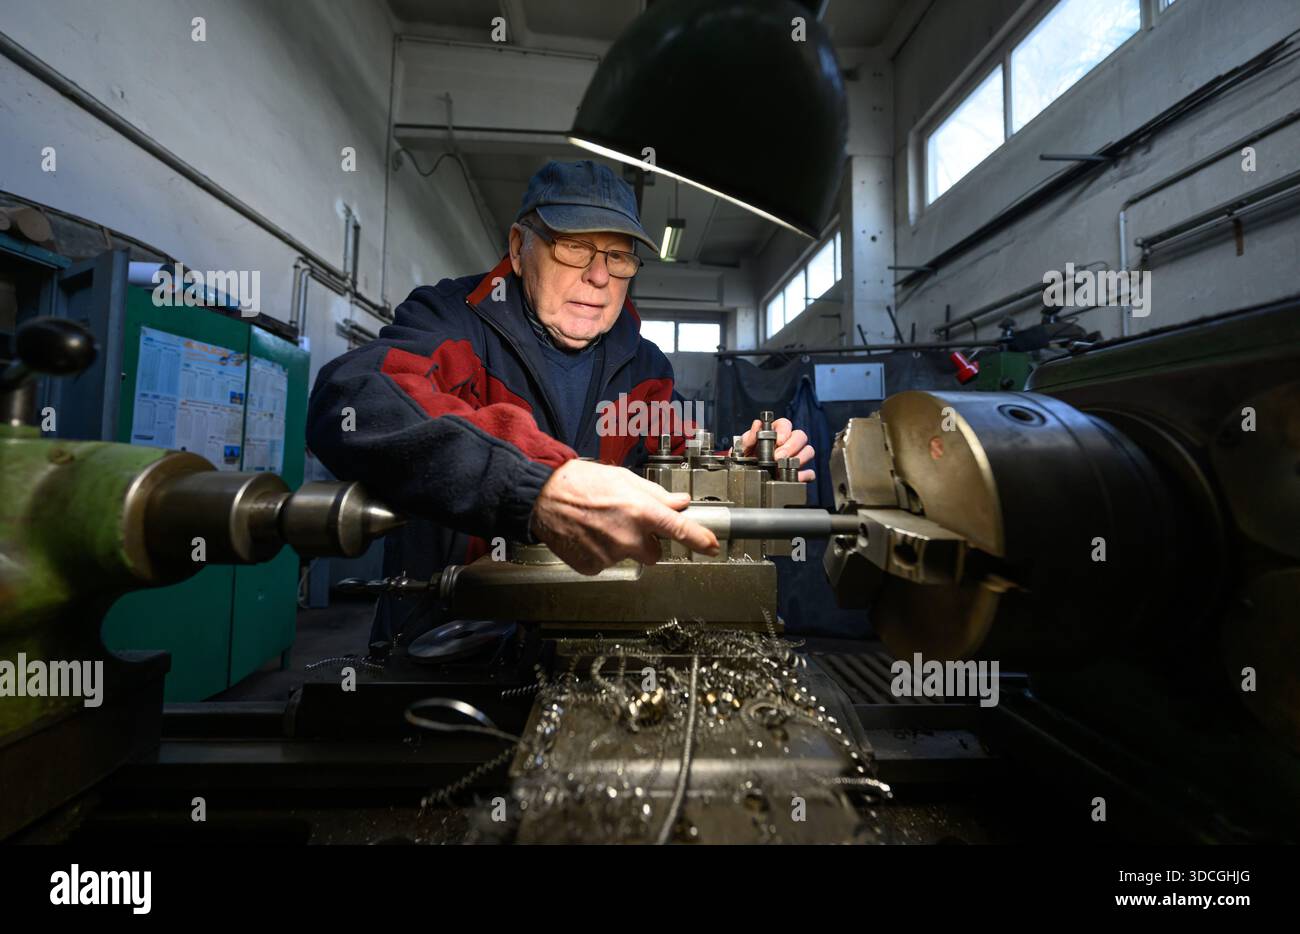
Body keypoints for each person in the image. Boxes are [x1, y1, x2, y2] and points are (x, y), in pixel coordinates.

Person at [306, 160, 814, 641]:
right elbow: (352, 398)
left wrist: (732, 467)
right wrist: (534, 485)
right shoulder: (453, 322)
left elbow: (674, 461)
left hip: (590, 638)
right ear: (518, 248)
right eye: (573, 246)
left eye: (617, 256)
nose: (598, 277)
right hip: (444, 640)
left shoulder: (644, 366)